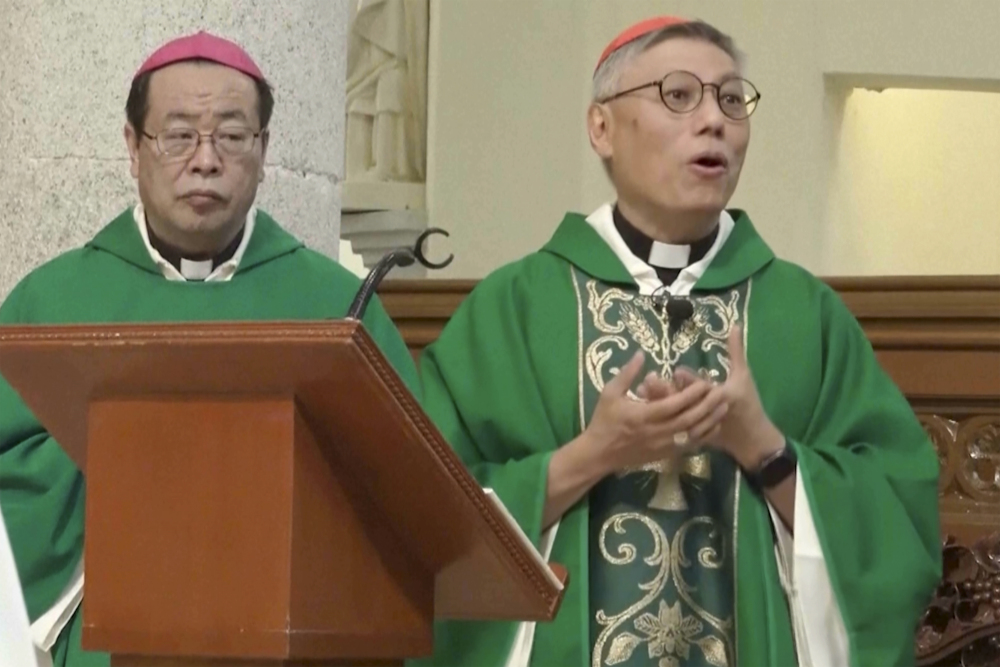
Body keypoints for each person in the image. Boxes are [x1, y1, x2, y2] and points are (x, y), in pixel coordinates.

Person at [414, 16, 941, 667]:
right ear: (601, 127)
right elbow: (421, 515)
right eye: (678, 94)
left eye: (729, 98)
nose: (714, 120)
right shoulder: (513, 309)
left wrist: (767, 451)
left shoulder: (805, 314)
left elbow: (898, 529)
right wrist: (593, 453)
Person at [0, 31, 419, 667]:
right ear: (133, 148)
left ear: (264, 149)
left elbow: (402, 487)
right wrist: (136, 461)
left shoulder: (337, 309)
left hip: (286, 638)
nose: (205, 160)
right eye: (178, 135)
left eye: (231, 135)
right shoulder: (51, 302)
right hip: (103, 632)